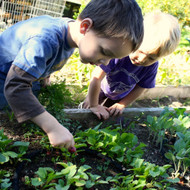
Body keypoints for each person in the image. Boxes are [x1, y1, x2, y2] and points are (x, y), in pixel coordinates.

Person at [0, 0, 144, 149]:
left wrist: (44, 75)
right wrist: (53, 127)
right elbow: (15, 86)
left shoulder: (72, 33)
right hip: (4, 77)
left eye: (111, 58)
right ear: (85, 27)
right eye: (105, 52)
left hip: (22, 78)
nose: (106, 63)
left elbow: (45, 58)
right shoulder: (45, 39)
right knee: (8, 115)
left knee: (27, 112)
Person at [81, 11, 181, 120]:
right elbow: (96, 78)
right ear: (133, 40)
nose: (142, 59)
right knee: (88, 110)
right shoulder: (119, 53)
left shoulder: (151, 67)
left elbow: (141, 88)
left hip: (120, 96)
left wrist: (122, 104)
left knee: (110, 116)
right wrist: (93, 104)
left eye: (151, 58)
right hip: (100, 88)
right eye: (140, 51)